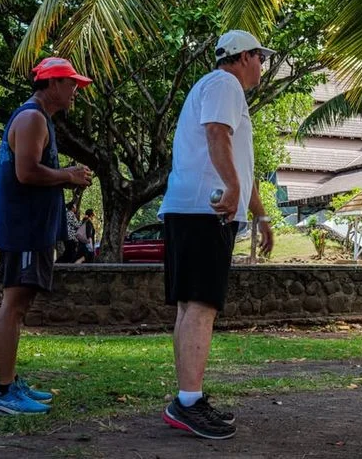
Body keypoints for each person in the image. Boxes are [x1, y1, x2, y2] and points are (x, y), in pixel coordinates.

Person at [158, 30, 275, 439]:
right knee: (201, 304)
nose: (262, 65)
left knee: (189, 305)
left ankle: (187, 397)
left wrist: (259, 214)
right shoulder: (225, 84)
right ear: (243, 57)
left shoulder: (217, 88)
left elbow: (240, 162)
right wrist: (232, 188)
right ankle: (188, 402)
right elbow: (216, 134)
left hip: (193, 208)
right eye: (260, 57)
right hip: (204, 210)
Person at [0, 57, 93, 415]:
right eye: (72, 84)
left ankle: (10, 381)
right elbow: (26, 172)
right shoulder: (32, 117)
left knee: (20, 304)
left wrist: (66, 176)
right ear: (53, 83)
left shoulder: (40, 118)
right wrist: (68, 175)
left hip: (31, 229)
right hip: (23, 229)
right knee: (14, 304)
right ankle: (2, 393)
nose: (75, 91)